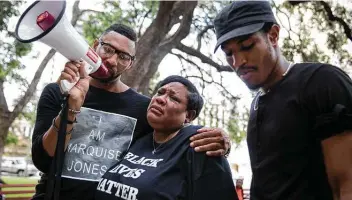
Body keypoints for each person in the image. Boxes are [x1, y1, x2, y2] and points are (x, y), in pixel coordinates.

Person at [31, 23, 231, 200]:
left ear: (131, 63)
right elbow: (43, 160)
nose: (111, 60)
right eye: (107, 49)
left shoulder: (144, 108)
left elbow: (173, 136)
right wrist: (72, 106)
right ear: (94, 46)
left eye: (123, 56)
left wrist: (221, 140)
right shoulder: (57, 91)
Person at [213, 1, 352, 200]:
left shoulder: (322, 82)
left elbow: (346, 184)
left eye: (247, 46)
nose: (238, 62)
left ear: (273, 35)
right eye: (229, 53)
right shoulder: (256, 103)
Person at [95, 75, 238, 200]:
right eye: (160, 92)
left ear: (188, 116)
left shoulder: (200, 145)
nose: (161, 99)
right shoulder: (140, 138)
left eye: (173, 98)